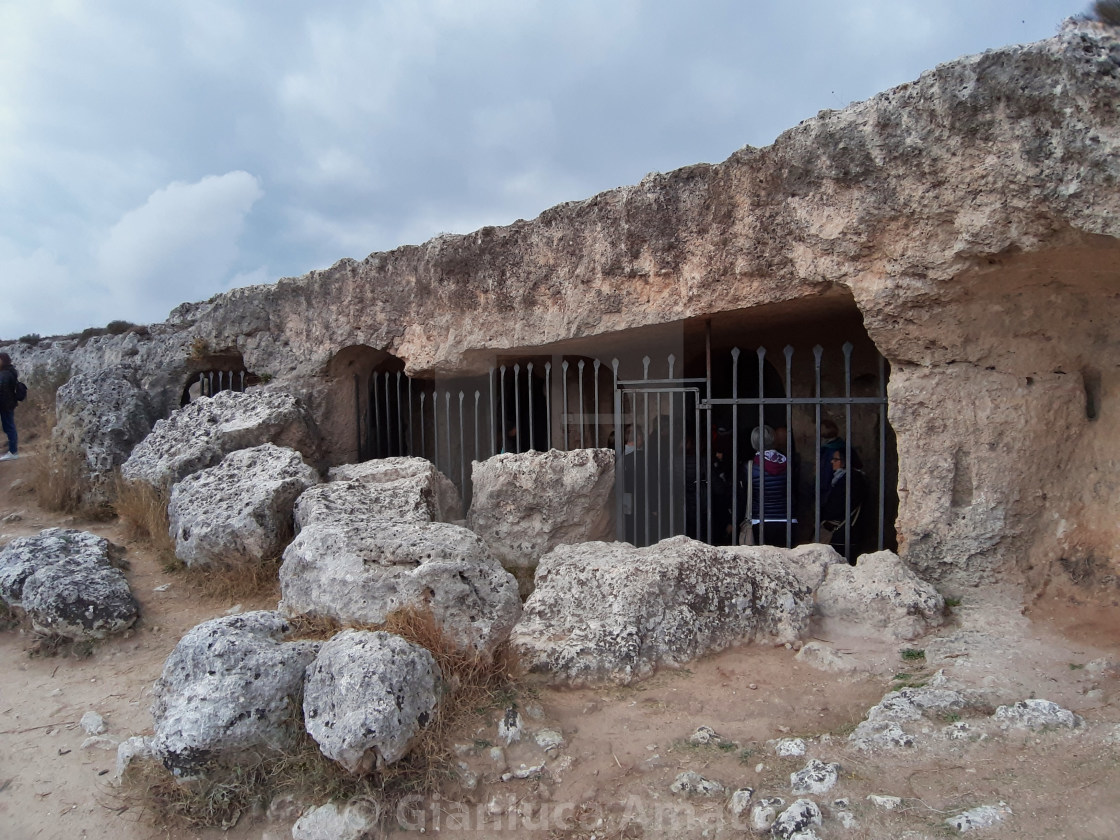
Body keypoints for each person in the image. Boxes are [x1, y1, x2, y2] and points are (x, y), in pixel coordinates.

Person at [742, 425, 793, 546]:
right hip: (786, 518)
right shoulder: (789, 464)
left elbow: (744, 495)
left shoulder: (750, 467)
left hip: (760, 519)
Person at [820, 448, 868, 560]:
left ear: (845, 461)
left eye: (835, 459)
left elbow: (838, 506)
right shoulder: (848, 478)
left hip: (842, 531)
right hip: (848, 529)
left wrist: (823, 515)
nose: (832, 461)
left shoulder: (850, 480)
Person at [0, 353, 20, 461]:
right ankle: (13, 451)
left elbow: (2, 390)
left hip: (5, 405)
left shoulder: (5, 374)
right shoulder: (11, 371)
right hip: (9, 404)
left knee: (9, 428)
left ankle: (13, 452)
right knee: (9, 427)